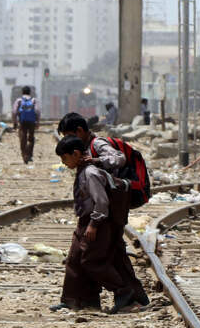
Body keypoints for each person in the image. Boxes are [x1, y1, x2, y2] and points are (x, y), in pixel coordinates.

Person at [54, 113, 150, 312]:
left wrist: (96, 162)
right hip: (96, 212)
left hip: (104, 212)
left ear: (79, 131)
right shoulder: (82, 152)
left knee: (102, 256)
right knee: (77, 256)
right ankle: (77, 299)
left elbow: (118, 159)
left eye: (68, 135)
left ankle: (128, 295)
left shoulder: (97, 146)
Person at [12, 86, 40, 164]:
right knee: (31, 138)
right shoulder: (34, 100)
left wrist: (15, 122)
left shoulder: (19, 100)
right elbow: (37, 111)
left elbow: (14, 111)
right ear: (29, 92)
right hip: (32, 122)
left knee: (23, 137)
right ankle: (29, 154)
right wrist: (37, 122)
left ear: (22, 92)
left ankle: (24, 155)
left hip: (22, 121)